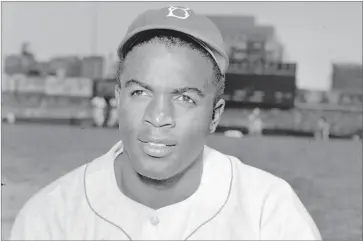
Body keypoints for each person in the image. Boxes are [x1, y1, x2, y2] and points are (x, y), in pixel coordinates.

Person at [10, 6, 321, 240]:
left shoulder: (269, 212)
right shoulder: (52, 216)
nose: (158, 117)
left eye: (184, 98)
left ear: (215, 115)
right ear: (118, 99)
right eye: (140, 92)